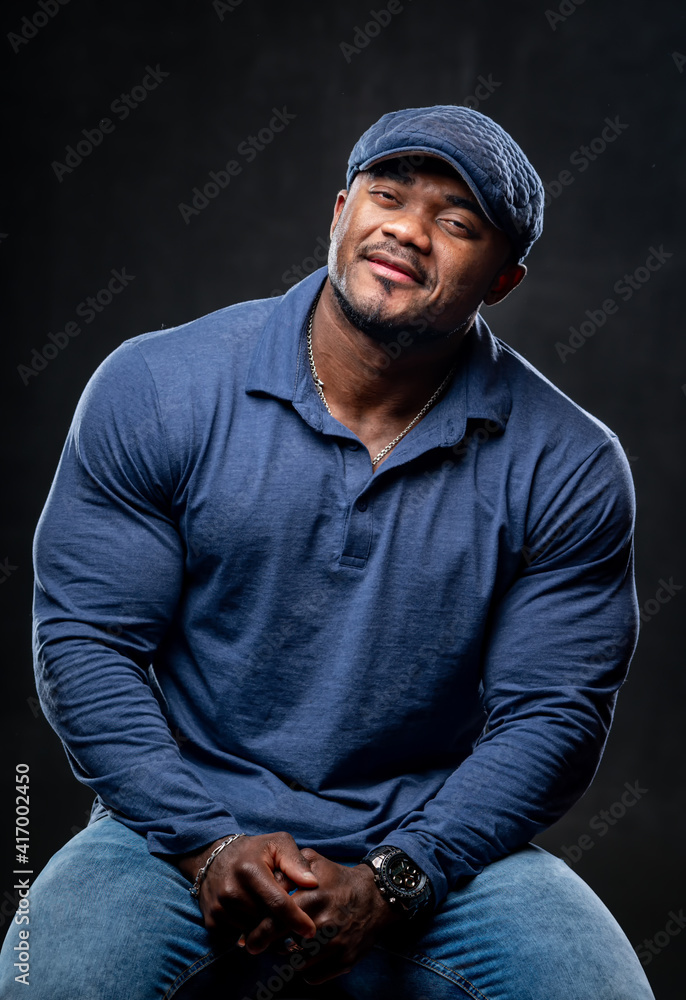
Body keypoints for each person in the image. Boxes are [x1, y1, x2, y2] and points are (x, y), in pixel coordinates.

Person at [0, 105, 655, 999]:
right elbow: (86, 643)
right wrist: (205, 842)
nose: (408, 232)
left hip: (436, 839)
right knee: (52, 978)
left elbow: (553, 714)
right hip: (170, 824)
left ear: (502, 279)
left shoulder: (569, 462)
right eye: (387, 195)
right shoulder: (157, 386)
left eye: (457, 223)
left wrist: (403, 875)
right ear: (341, 208)